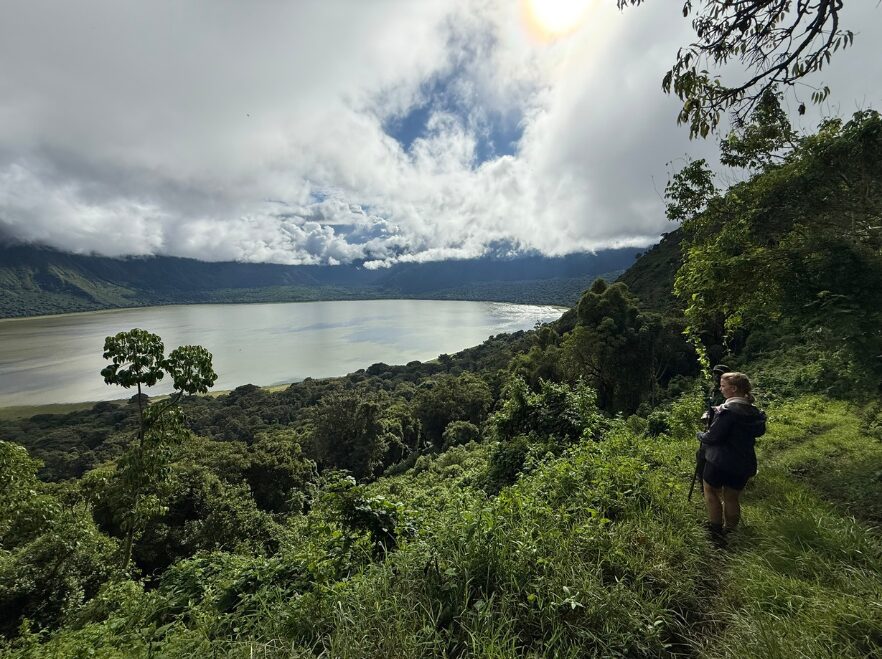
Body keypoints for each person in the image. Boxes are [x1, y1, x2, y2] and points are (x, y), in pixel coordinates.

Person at [697, 371, 766, 544]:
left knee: (710, 491)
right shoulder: (754, 412)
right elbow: (758, 432)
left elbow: (713, 437)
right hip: (743, 462)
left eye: (723, 386)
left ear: (733, 389)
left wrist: (700, 435)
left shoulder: (728, 411)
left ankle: (715, 531)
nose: (721, 389)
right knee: (731, 497)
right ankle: (731, 532)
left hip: (720, 461)